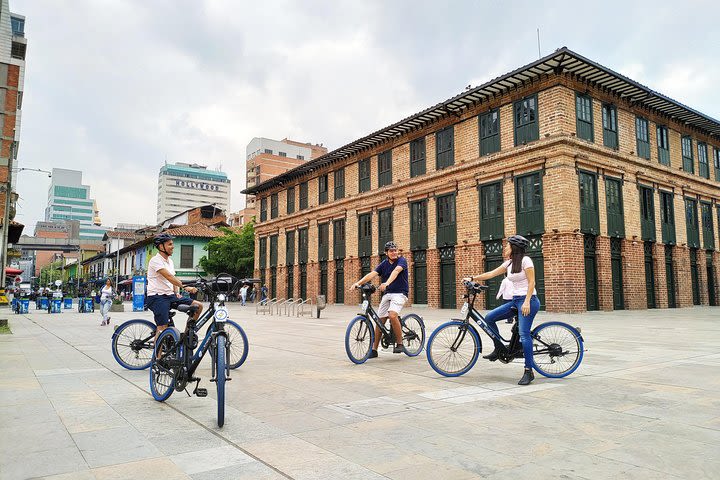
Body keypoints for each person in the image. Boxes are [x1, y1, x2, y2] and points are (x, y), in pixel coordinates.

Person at [463, 235, 540, 386]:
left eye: (507, 246)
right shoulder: (510, 263)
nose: (505, 248)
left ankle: (528, 371)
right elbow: (491, 274)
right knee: (490, 317)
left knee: (524, 334)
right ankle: (499, 348)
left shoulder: (526, 261)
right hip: (515, 300)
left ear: (514, 248)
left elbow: (532, 282)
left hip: (528, 301)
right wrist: (472, 278)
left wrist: (526, 302)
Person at [350, 241, 408, 357]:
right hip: (388, 294)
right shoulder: (384, 264)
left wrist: (386, 283)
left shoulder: (402, 260)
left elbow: (396, 272)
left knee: (392, 315)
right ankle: (374, 350)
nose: (394, 253)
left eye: (395, 250)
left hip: (400, 293)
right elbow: (372, 274)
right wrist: (358, 283)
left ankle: (400, 343)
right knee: (379, 321)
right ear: (386, 253)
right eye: (391, 251)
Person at [146, 234, 201, 346]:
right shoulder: (155, 260)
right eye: (170, 244)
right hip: (157, 297)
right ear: (161, 247)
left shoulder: (170, 262)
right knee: (162, 329)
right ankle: (157, 359)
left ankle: (186, 336)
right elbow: (169, 277)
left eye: (172, 244)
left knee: (198, 306)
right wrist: (186, 287)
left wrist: (176, 292)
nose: (173, 246)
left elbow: (173, 278)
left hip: (170, 295)